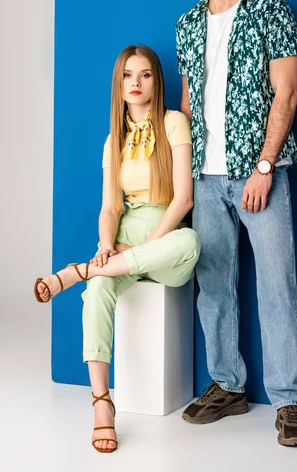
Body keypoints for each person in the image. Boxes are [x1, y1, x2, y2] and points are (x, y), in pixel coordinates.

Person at [176, 0, 297, 447]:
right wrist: (181, 179)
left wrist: (262, 168)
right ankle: (228, 385)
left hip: (260, 174)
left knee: (277, 284)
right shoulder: (187, 23)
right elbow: (188, 103)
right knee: (213, 288)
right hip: (203, 177)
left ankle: (290, 400)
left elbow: (288, 95)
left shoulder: (272, 11)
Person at [34, 45, 200, 453]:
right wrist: (108, 247)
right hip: (123, 240)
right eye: (128, 75)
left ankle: (80, 271)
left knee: (191, 242)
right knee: (98, 297)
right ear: (119, 83)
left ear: (156, 81)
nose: (136, 83)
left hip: (161, 242)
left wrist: (144, 246)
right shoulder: (115, 139)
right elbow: (110, 207)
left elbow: (183, 201)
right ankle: (102, 405)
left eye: (144, 75)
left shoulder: (174, 123)